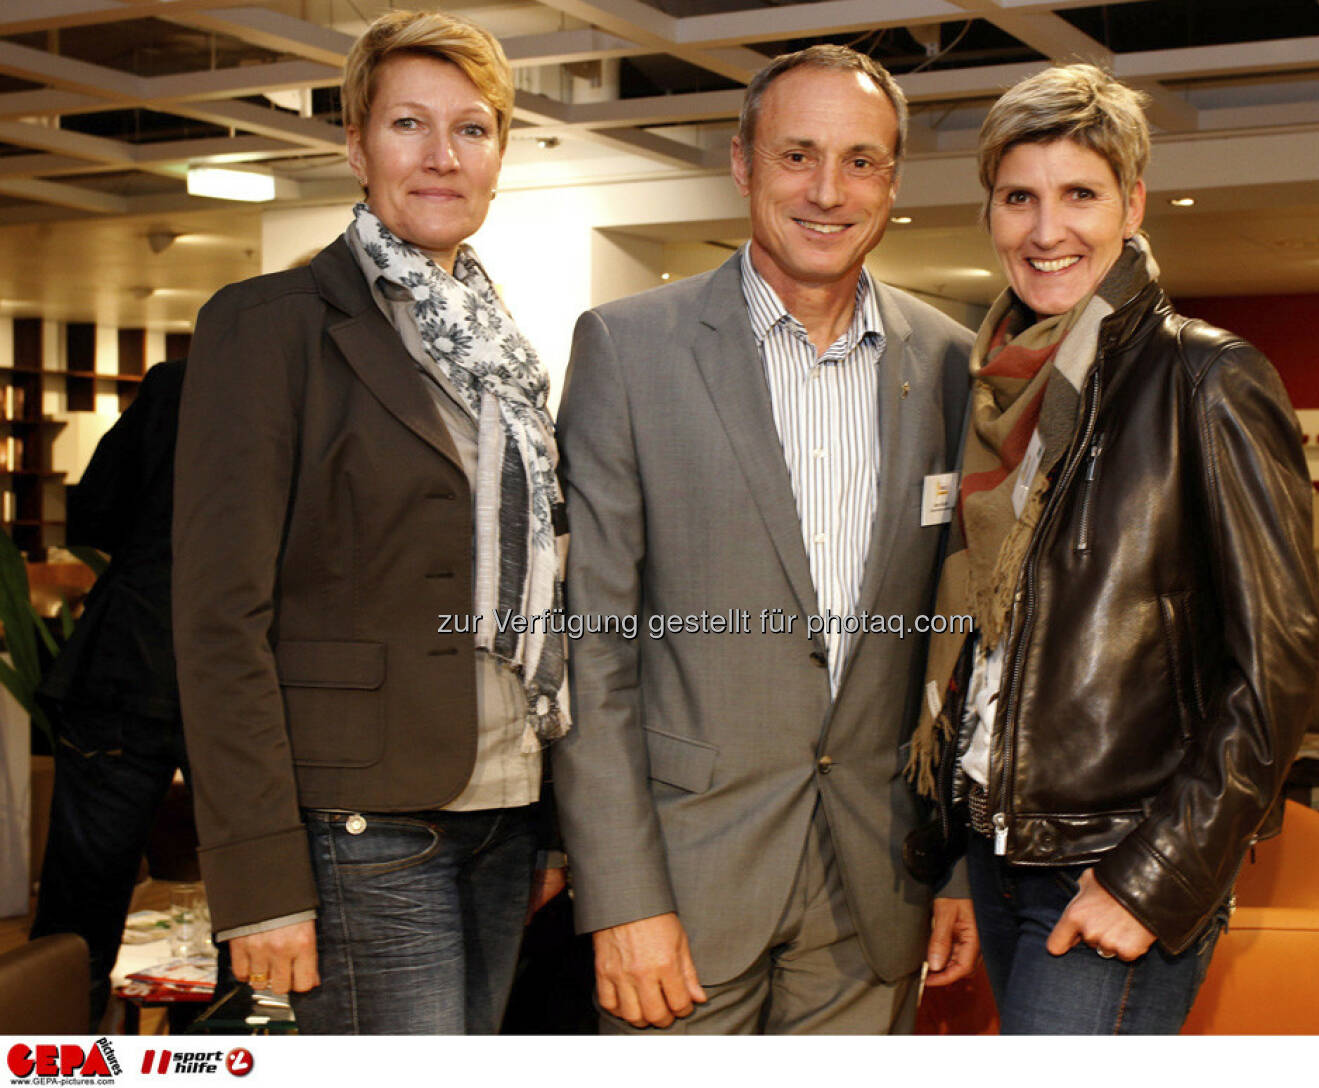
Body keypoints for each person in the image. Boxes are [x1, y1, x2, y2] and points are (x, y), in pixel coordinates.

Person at [554, 44, 976, 1035]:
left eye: (861, 161)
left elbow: (962, 649)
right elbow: (590, 648)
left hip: (876, 887)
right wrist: (619, 895)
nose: (829, 190)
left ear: (893, 180)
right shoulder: (627, 347)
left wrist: (955, 861)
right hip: (684, 887)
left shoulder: (958, 363)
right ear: (742, 164)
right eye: (798, 155)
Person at [172, 10, 565, 1034]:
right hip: (361, 822)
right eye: (408, 125)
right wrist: (259, 881)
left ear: (498, 156)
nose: (442, 157)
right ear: (355, 145)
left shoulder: (506, 356)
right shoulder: (269, 327)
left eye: (471, 130)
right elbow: (220, 624)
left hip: (504, 810)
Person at [909, 64, 1319, 1034]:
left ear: (1132, 203)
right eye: (1019, 197)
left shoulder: (1206, 376)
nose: (1046, 230)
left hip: (1118, 859)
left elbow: (1278, 664)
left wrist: (1157, 876)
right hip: (1000, 853)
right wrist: (957, 860)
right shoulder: (988, 395)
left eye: (1079, 194)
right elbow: (984, 650)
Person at [31, 361, 187, 1030]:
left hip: (131, 658)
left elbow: (94, 510)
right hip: (255, 675)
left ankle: (48, 1067)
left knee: (77, 918)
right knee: (263, 909)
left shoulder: (181, 382)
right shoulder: (338, 389)